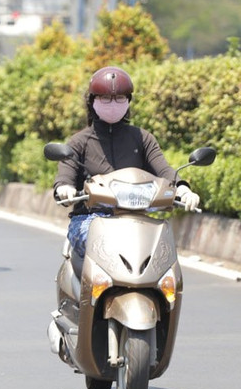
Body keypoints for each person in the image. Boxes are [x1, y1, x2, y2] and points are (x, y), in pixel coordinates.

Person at [53, 65, 200, 259]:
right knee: (102, 248)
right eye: (105, 98)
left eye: (120, 98)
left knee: (163, 252)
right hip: (91, 218)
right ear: (92, 101)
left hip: (137, 218)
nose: (113, 103)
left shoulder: (142, 138)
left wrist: (182, 188)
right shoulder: (79, 142)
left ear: (128, 101)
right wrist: (65, 188)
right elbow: (66, 173)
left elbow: (163, 168)